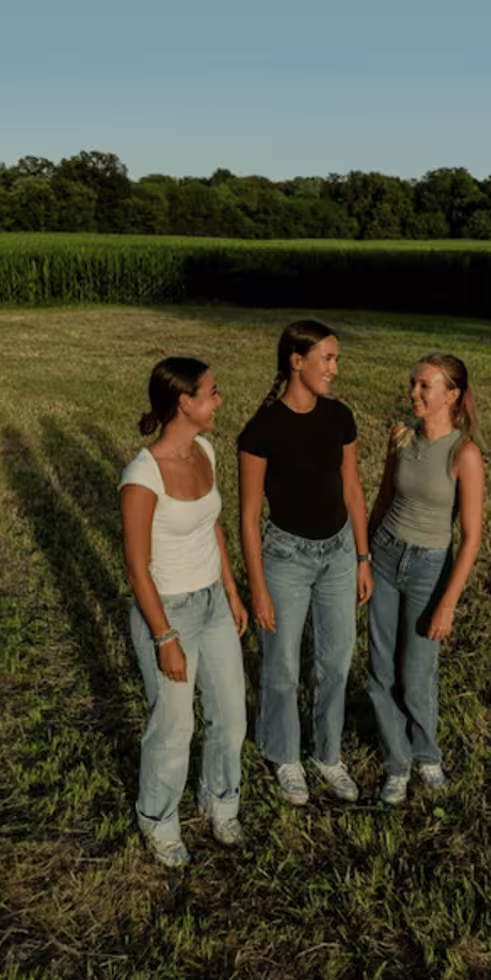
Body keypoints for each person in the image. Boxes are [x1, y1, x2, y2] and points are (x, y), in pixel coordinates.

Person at [120, 357, 250, 867]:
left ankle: (221, 802)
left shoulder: (206, 451)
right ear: (184, 402)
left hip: (212, 602)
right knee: (174, 728)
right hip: (168, 611)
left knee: (231, 716)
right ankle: (158, 820)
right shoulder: (142, 476)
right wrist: (164, 637)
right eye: (212, 392)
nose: (219, 400)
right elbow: (136, 569)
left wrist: (231, 593)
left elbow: (211, 526)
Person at [237, 320, 373, 806]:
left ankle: (327, 753)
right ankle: (284, 755)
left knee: (335, 661)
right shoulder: (261, 429)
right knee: (282, 666)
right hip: (285, 559)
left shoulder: (340, 417)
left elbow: (352, 488)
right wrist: (258, 587)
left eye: (336, 359)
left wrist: (362, 557)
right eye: (327, 359)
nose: (335, 369)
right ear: (297, 362)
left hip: (338, 553)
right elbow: (248, 516)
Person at [364, 353, 485, 805]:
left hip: (429, 568)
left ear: (451, 395)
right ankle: (397, 763)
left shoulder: (463, 454)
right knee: (380, 669)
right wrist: (364, 557)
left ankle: (426, 754)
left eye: (423, 386)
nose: (412, 393)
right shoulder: (401, 439)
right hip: (385, 555)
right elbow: (382, 500)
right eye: (412, 384)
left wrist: (447, 603)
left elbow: (471, 537)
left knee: (416, 672)